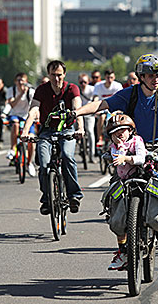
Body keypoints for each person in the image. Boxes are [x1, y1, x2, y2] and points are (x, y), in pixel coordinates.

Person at [74, 54, 158, 185]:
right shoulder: (130, 93)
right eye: (151, 76)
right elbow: (101, 104)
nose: (156, 79)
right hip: (130, 147)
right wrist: (76, 113)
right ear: (141, 77)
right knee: (115, 188)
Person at [22, 60, 84, 214]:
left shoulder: (72, 88)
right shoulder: (42, 90)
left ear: (64, 75)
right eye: (53, 75)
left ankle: (74, 196)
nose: (56, 79)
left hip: (67, 131)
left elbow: (78, 108)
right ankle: (47, 199)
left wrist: (80, 128)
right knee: (43, 164)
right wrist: (25, 131)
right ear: (48, 75)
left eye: (59, 75)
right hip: (46, 131)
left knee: (68, 156)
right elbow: (34, 110)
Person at [104, 113, 147, 270]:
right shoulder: (115, 146)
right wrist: (118, 149)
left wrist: (127, 159)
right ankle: (122, 251)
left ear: (131, 130)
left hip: (140, 179)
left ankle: (146, 235)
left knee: (148, 204)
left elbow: (141, 158)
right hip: (122, 183)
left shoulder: (137, 141)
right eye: (115, 132)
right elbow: (115, 156)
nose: (120, 134)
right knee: (116, 216)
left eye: (123, 130)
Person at [93, 69, 123, 146]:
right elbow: (96, 98)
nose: (110, 80)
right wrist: (95, 108)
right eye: (108, 77)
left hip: (114, 109)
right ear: (105, 77)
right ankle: (100, 138)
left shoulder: (118, 86)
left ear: (114, 77)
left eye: (111, 77)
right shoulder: (98, 86)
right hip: (102, 108)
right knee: (102, 118)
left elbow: (120, 99)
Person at [78, 73, 96, 163]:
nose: (83, 84)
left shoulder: (92, 89)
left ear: (88, 82)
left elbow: (96, 98)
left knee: (90, 131)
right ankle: (80, 147)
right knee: (76, 131)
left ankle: (91, 155)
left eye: (85, 82)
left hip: (90, 113)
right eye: (81, 82)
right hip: (79, 113)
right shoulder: (77, 90)